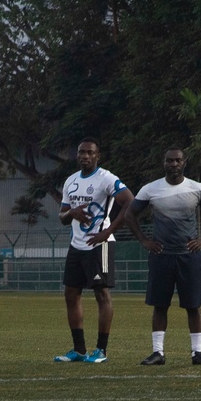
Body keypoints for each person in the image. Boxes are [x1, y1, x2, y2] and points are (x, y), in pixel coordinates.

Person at [123, 146, 201, 366]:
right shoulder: (150, 189)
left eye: (178, 160)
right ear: (164, 163)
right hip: (162, 255)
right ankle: (157, 352)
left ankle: (197, 353)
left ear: (184, 162)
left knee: (193, 305)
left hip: (189, 255)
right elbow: (130, 214)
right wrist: (144, 240)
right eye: (170, 161)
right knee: (160, 305)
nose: (174, 164)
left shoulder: (197, 189)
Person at [53, 137, 135, 363]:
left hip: (100, 245)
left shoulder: (106, 178)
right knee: (71, 294)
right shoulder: (70, 181)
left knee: (101, 294)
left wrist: (107, 233)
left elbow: (130, 201)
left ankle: (101, 350)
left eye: (90, 152)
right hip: (76, 245)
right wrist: (71, 214)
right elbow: (62, 217)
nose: (85, 156)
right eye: (81, 152)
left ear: (98, 156)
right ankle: (79, 350)